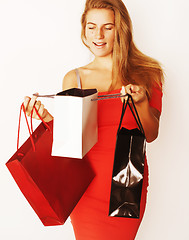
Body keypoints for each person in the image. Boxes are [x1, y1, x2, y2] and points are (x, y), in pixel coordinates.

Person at [24, 0, 164, 239]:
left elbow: (151, 134)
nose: (98, 35)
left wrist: (140, 103)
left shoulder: (148, 73)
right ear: (84, 30)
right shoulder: (75, 78)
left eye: (107, 27)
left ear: (121, 29)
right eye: (91, 27)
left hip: (128, 182)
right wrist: (46, 118)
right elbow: (72, 142)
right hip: (85, 185)